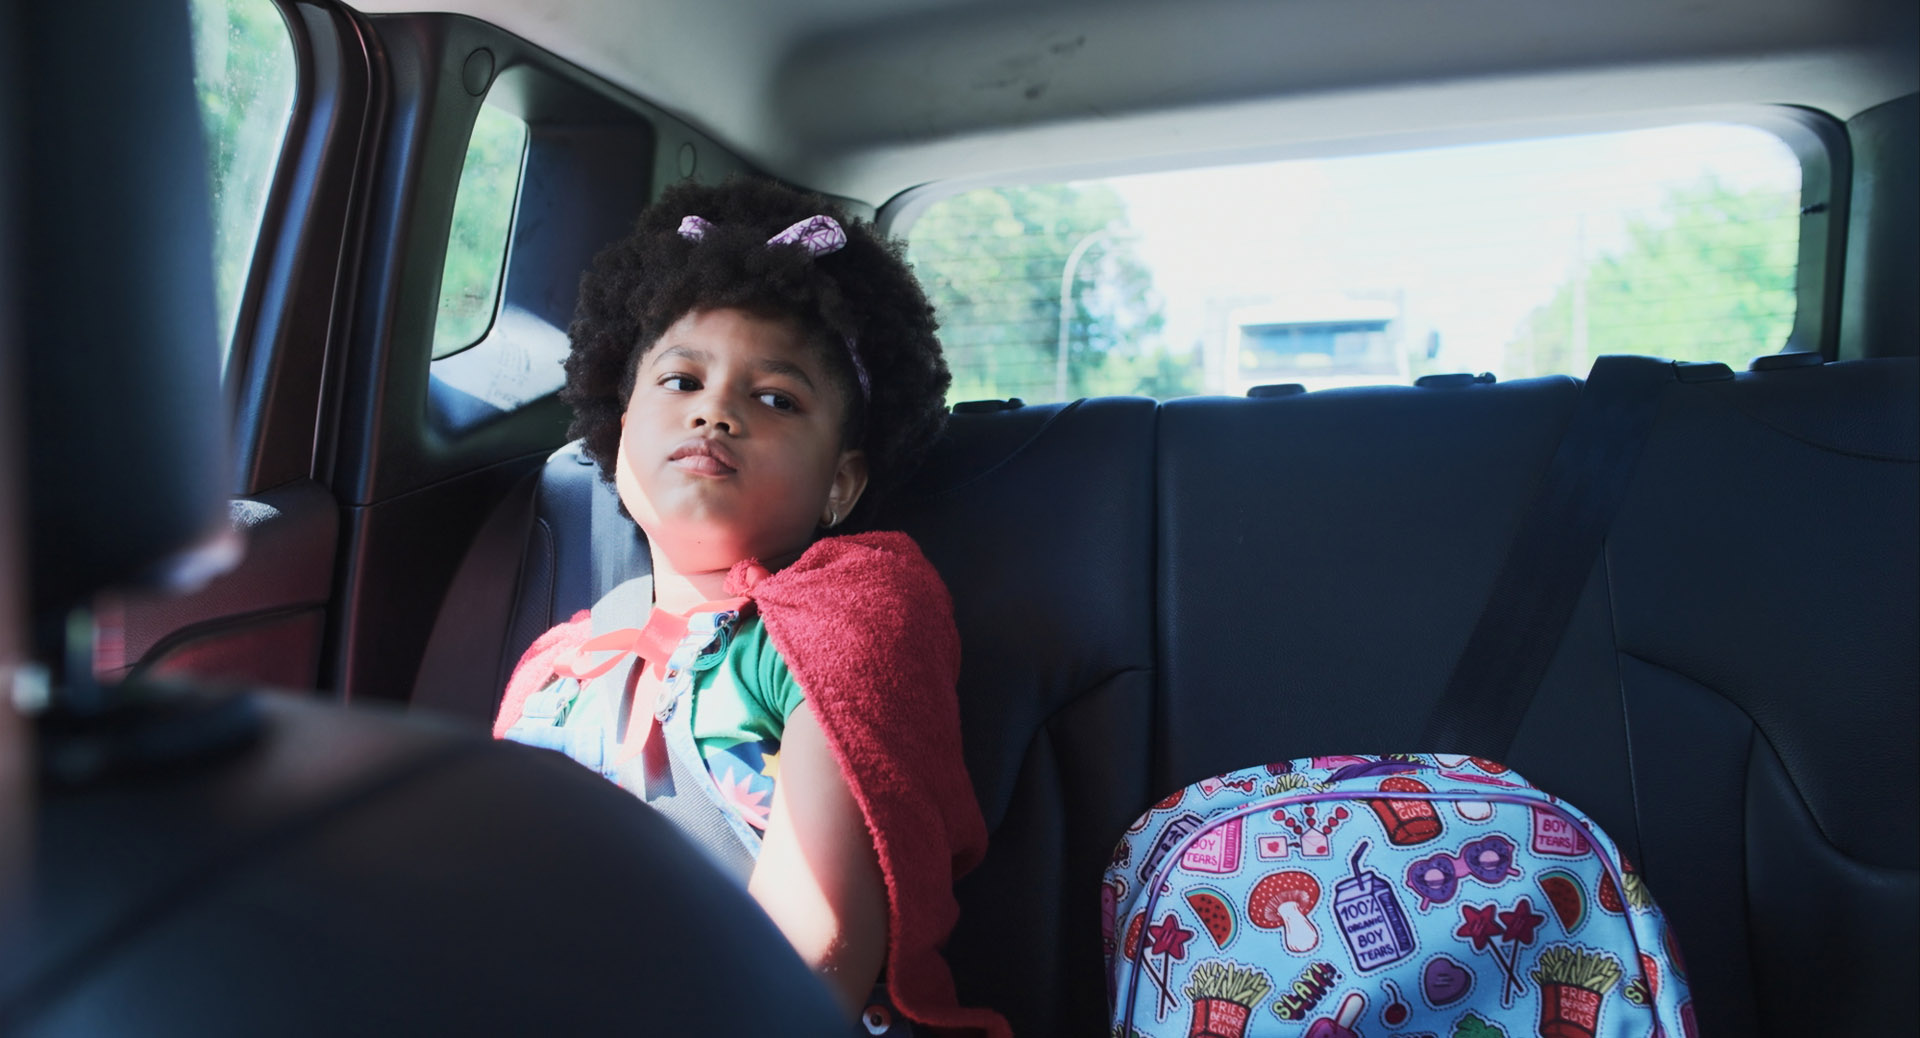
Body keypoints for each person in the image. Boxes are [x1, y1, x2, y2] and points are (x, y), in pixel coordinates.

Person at [492, 177, 1008, 1038]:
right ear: (619, 431)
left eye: (776, 398)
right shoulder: (557, 668)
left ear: (840, 483)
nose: (715, 410)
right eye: (681, 379)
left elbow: (809, 954)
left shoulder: (845, 620)